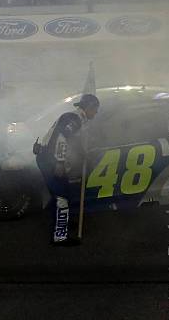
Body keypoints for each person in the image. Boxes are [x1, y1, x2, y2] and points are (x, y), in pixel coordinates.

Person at [33, 94, 100, 245]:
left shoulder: (76, 118)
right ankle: (60, 236)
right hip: (50, 161)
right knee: (62, 197)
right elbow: (62, 138)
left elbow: (70, 140)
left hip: (47, 157)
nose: (96, 113)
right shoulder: (74, 119)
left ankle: (60, 223)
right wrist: (60, 162)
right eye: (95, 110)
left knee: (64, 194)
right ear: (89, 108)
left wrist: (82, 153)